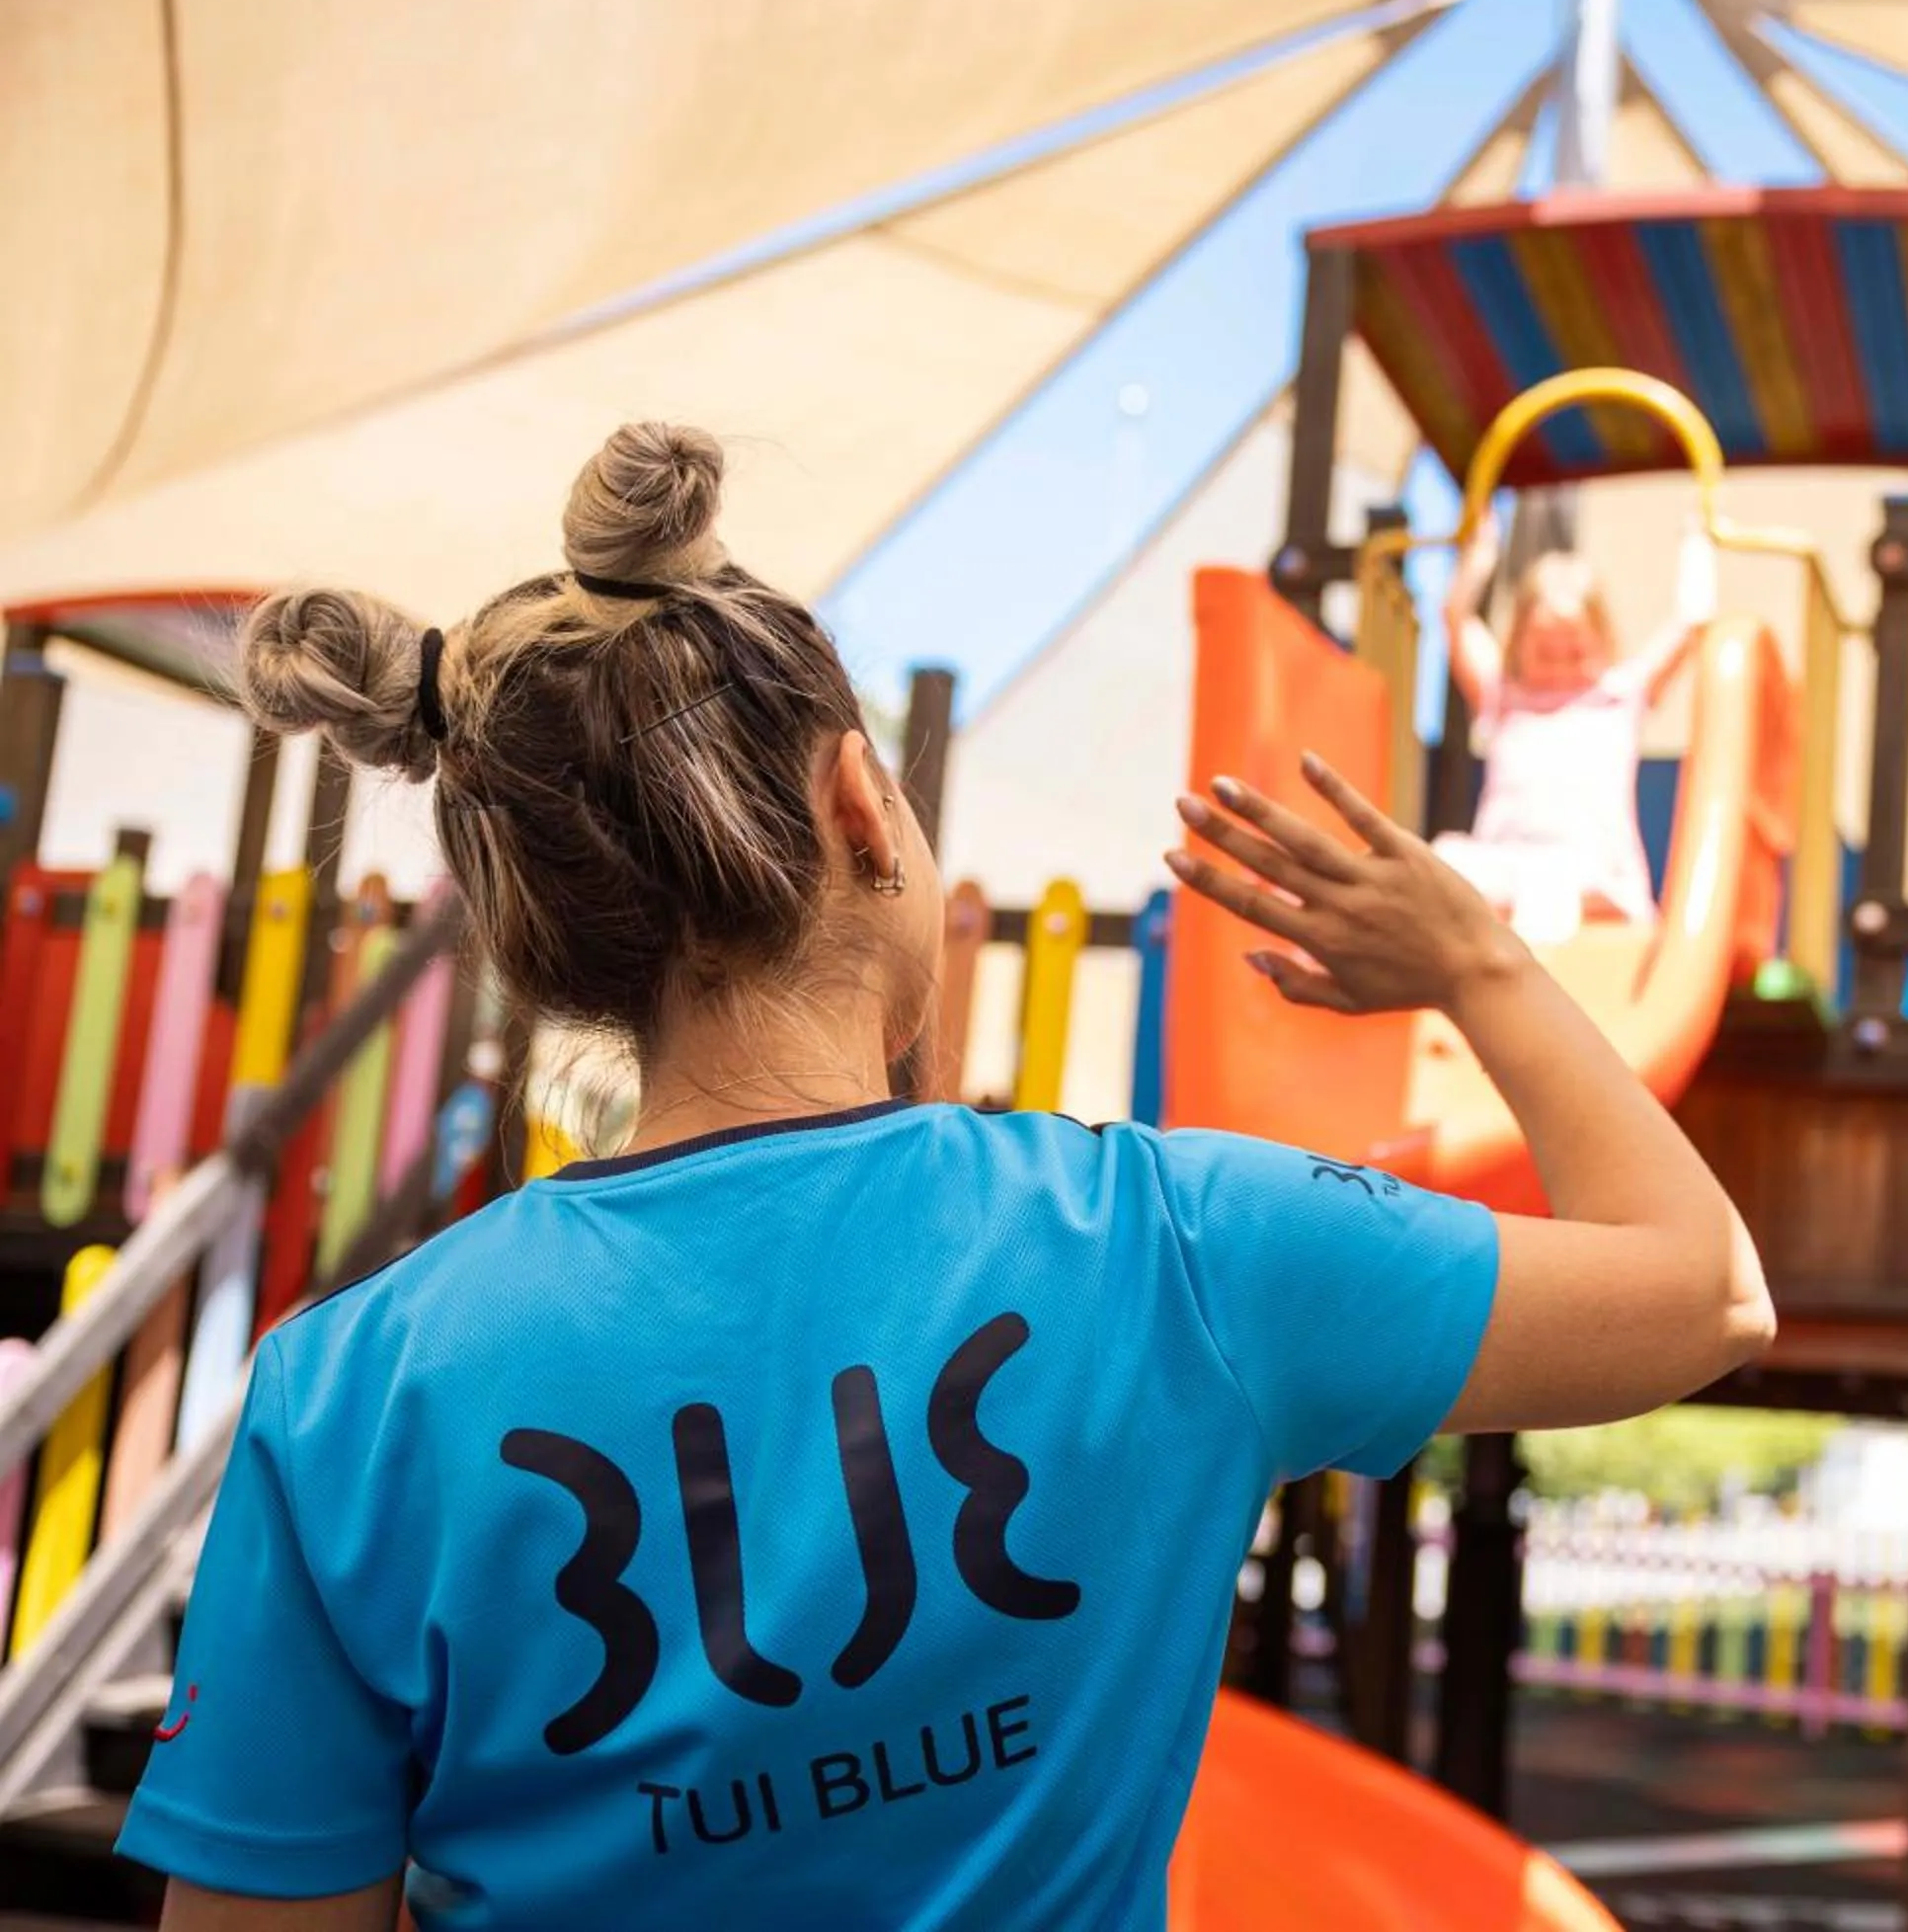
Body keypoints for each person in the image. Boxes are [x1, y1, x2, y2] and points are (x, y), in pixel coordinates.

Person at [124, 424, 1771, 1931]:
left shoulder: (346, 1389)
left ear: (541, 931)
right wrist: (1481, 961)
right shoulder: (1176, 1251)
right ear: (862, 808)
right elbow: (1705, 1289)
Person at [1432, 508, 1715, 945]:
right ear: (1517, 644)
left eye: (1576, 652)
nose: (1561, 666)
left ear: (1604, 642)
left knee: (1552, 886)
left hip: (1595, 879)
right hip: (1508, 869)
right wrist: (1481, 556)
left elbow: (1693, 622)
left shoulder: (1619, 697)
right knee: (1444, 858)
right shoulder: (1503, 697)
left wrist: (1697, 538)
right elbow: (1456, 618)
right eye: (1546, 652)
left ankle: (1534, 974)